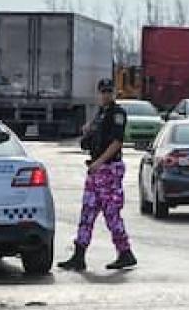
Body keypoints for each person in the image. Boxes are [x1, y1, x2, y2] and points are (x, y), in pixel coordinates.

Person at [58, 78, 137, 271]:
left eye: (108, 92)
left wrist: (100, 162)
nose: (105, 95)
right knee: (88, 212)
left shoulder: (117, 113)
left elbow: (117, 142)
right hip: (95, 170)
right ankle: (79, 255)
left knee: (111, 214)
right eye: (102, 92)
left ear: (114, 93)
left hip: (109, 169)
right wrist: (88, 132)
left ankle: (125, 253)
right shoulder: (100, 114)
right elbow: (91, 137)